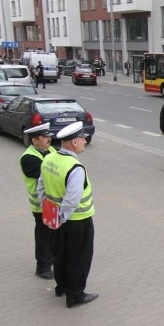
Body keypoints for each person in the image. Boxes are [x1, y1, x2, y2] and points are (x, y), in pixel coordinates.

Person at [38, 121, 98, 308]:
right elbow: (72, 200)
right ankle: (75, 295)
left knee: (60, 256)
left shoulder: (49, 158)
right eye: (83, 139)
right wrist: (63, 218)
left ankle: (61, 287)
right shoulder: (75, 167)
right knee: (79, 258)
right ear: (73, 142)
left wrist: (52, 216)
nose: (85, 142)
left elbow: (40, 188)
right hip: (77, 222)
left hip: (55, 220)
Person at [21, 123, 56, 280]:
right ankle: (42, 267)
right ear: (35, 140)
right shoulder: (28, 158)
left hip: (53, 203)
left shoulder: (50, 150)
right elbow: (49, 176)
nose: (49, 139)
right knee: (44, 236)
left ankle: (53, 259)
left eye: (49, 136)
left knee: (54, 234)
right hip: (41, 206)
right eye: (45, 136)